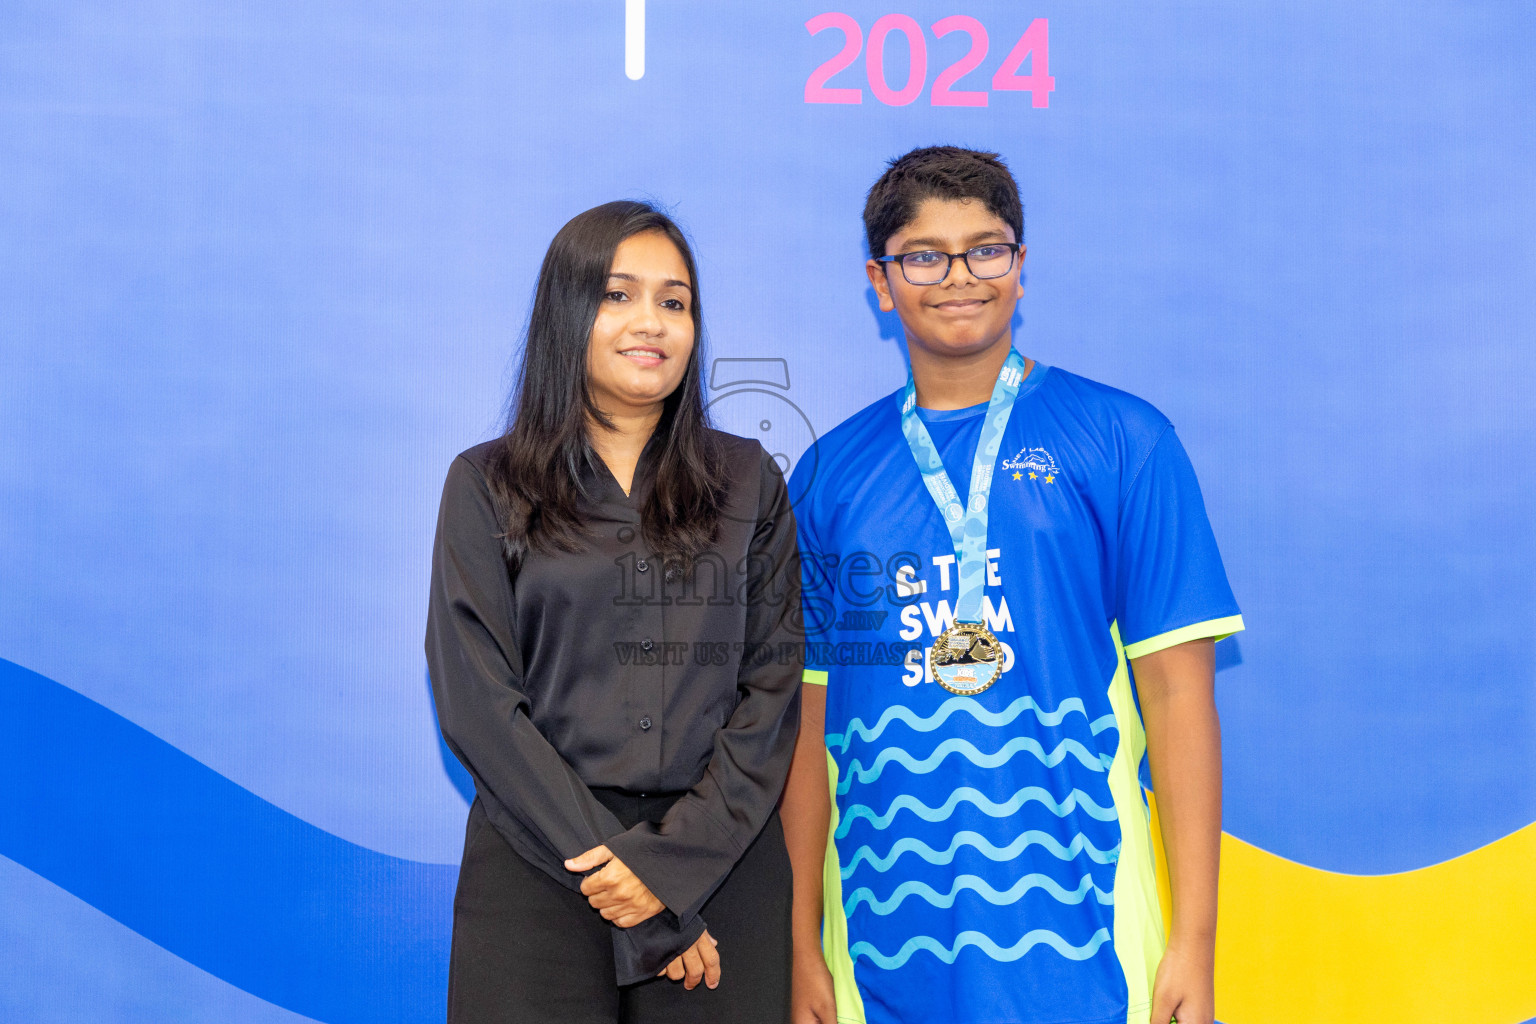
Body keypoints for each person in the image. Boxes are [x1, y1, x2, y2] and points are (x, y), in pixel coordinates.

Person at [781, 147, 1243, 1024]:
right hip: (881, 944)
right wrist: (802, 950)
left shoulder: (1123, 441)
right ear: (882, 283)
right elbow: (805, 725)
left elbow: (1182, 700)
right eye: (924, 255)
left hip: (1086, 938)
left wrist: (1194, 943)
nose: (959, 276)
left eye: (985, 249)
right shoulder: (827, 478)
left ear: (1020, 268)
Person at [426, 200, 802, 1024]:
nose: (652, 322)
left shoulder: (749, 483)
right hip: (539, 868)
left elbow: (771, 695)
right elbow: (478, 705)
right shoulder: (487, 484)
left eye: (675, 302)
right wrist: (623, 878)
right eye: (618, 295)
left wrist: (668, 874)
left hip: (720, 865)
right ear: (568, 313)